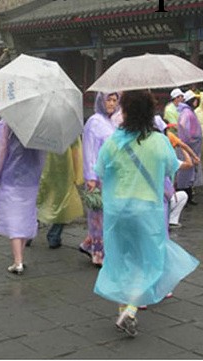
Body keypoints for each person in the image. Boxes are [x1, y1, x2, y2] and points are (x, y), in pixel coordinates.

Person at [93, 90, 199, 337]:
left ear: (126, 112)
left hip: (118, 209)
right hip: (146, 210)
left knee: (120, 258)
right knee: (149, 261)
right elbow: (171, 168)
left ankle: (123, 308)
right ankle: (129, 309)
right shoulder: (158, 141)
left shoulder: (114, 141)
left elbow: (100, 171)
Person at [0, 120, 46, 275]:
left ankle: (17, 261)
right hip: (31, 179)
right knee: (26, 217)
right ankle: (20, 257)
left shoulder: (8, 123)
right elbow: (42, 154)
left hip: (11, 177)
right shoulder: (39, 125)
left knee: (14, 220)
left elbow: (0, 150)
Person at [79, 92, 119, 267]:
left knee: (106, 215)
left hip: (111, 175)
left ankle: (90, 243)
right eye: (108, 100)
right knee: (98, 216)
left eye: (114, 100)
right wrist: (91, 177)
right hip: (98, 176)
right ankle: (98, 252)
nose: (111, 103)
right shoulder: (94, 122)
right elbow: (89, 151)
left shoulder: (112, 121)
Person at [37, 137, 84, 249]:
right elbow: (76, 151)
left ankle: (30, 231)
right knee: (64, 202)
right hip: (65, 168)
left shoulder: (41, 126)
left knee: (41, 198)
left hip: (44, 167)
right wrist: (78, 176)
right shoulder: (70, 129)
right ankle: (54, 235)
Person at [176, 90, 202, 205]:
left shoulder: (188, 111)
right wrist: (189, 138)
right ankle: (184, 195)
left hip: (191, 145)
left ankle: (188, 195)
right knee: (186, 171)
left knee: (189, 171)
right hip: (188, 146)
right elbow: (182, 124)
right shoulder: (187, 112)